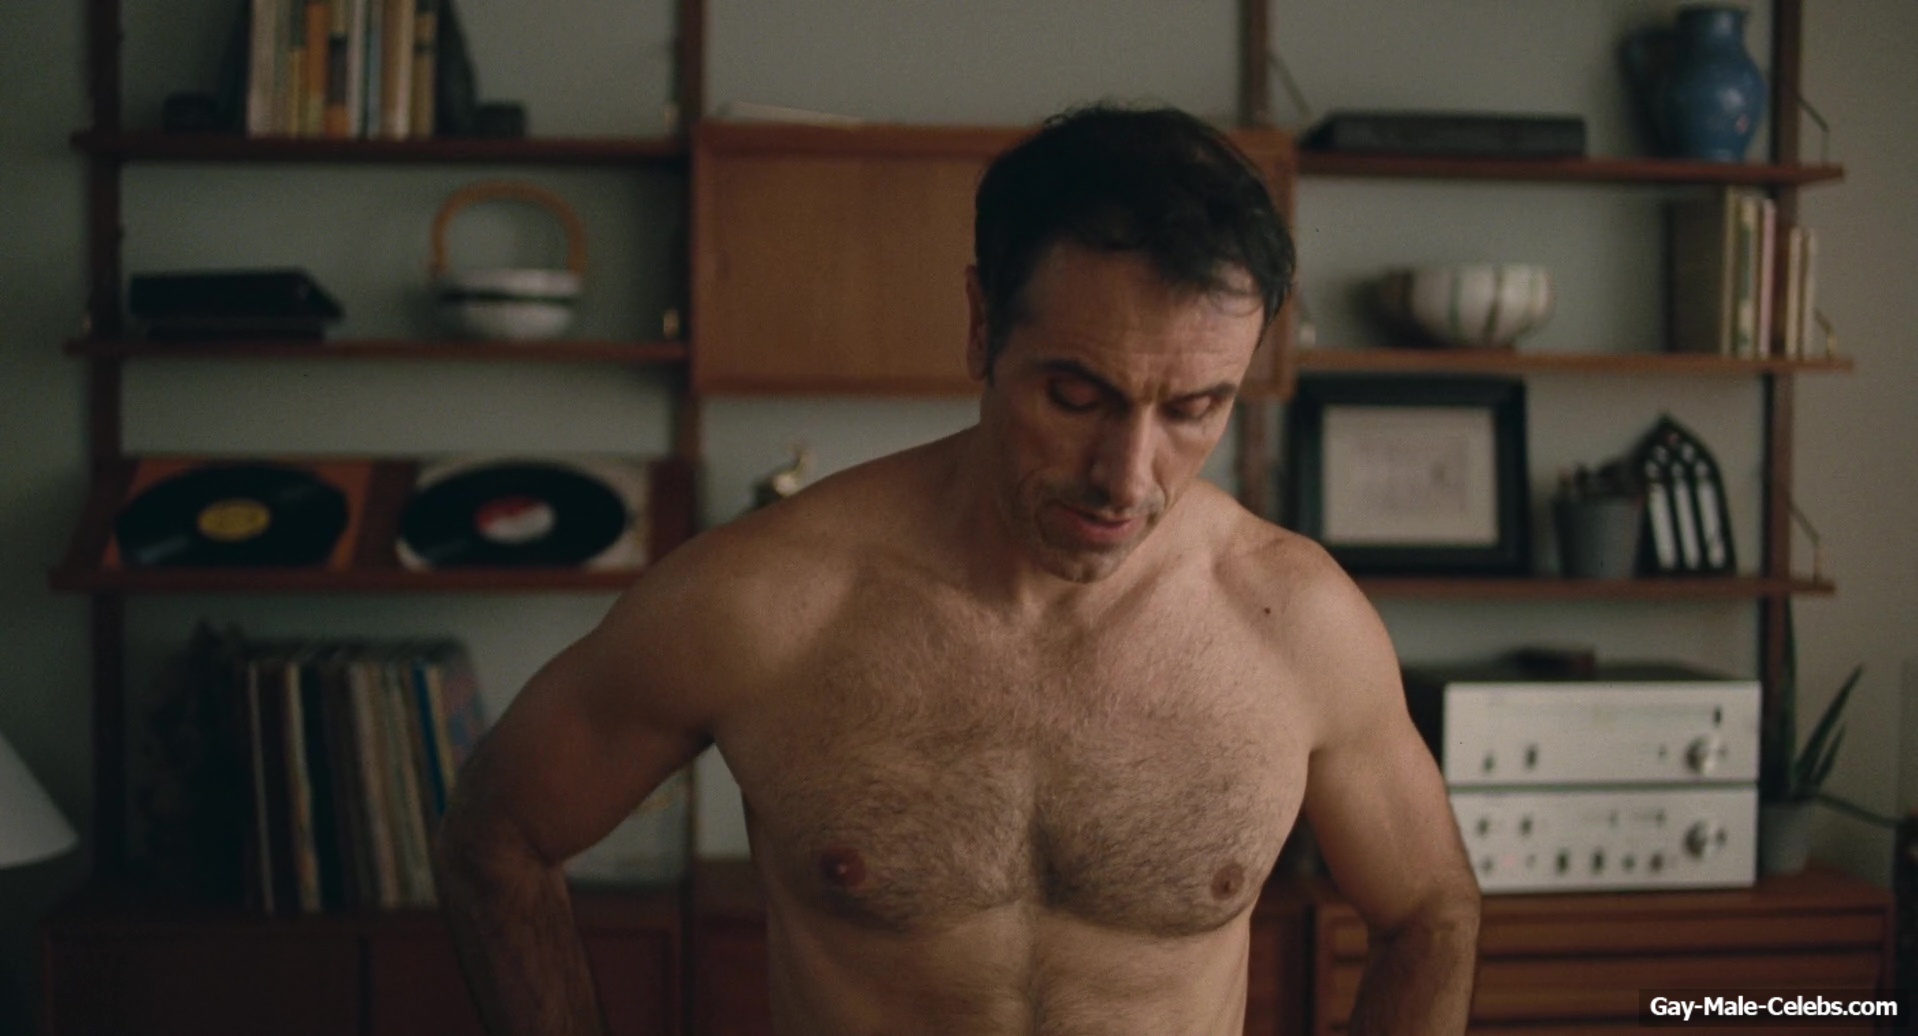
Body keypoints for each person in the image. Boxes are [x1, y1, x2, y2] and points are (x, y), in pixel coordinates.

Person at [434, 104, 1481, 1036]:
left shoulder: (1296, 621)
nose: (1126, 478)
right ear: (982, 324)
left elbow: (1432, 910)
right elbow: (498, 833)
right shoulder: (766, 601)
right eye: (1076, 396)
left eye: (1193, 409)